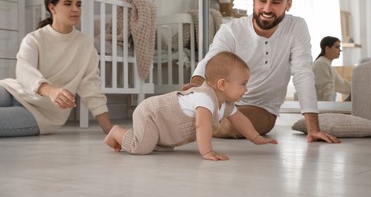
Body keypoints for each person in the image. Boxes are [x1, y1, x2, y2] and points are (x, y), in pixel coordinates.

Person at [184, 0, 340, 143]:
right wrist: (197, 90)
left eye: (276, 2)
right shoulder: (231, 30)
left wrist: (313, 128)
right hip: (221, 102)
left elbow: (303, 74)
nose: (267, 9)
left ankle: (196, 124)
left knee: (230, 125)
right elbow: (211, 59)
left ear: (288, 4)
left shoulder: (297, 27)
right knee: (171, 109)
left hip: (261, 109)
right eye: (262, 0)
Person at [104, 52, 278, 161]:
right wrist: (207, 151)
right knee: (142, 148)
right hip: (151, 114)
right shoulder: (204, 98)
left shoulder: (226, 104)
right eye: (243, 84)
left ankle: (133, 137)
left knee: (162, 148)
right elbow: (202, 125)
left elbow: (241, 121)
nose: (246, 89)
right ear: (223, 84)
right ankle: (117, 132)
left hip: (164, 125)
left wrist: (256, 137)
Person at [0, 0, 113, 137]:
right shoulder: (34, 38)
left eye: (78, 4)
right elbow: (23, 71)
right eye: (68, 4)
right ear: (52, 8)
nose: (75, 9)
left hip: (40, 115)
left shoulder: (85, 45)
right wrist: (51, 91)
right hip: (12, 91)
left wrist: (110, 130)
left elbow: (91, 88)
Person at [312, 36, 351, 101]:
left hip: (325, 107)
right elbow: (326, 92)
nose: (340, 50)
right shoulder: (321, 64)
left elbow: (343, 85)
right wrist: (331, 109)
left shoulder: (326, 64)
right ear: (327, 49)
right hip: (322, 108)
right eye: (337, 47)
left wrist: (359, 86)